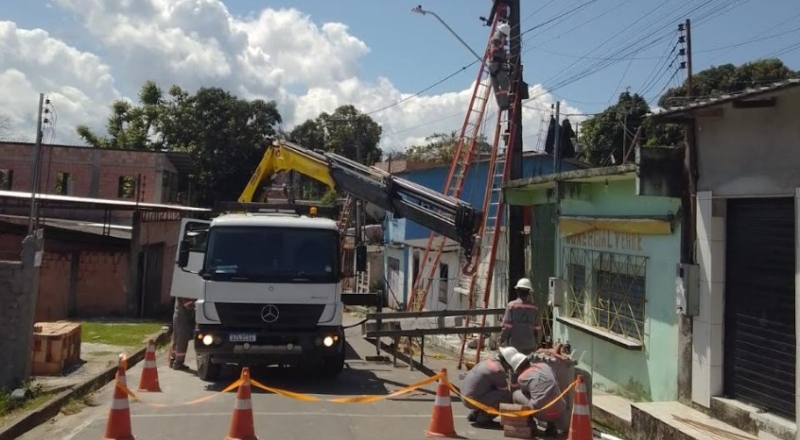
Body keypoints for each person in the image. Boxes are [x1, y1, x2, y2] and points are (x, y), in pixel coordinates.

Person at [504, 346, 567, 436]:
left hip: (542, 414)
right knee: (549, 391)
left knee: (516, 394)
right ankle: (551, 427)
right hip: (560, 410)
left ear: (518, 369)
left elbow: (526, 394)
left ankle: (531, 425)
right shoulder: (544, 366)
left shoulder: (522, 378)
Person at [461, 350, 515, 425]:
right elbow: (506, 391)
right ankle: (484, 417)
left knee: (492, 390)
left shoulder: (488, 362)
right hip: (472, 400)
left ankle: (475, 413)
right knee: (507, 396)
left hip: (465, 397)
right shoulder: (498, 370)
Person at [500, 278, 543, 355]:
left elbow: (507, 326)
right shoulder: (534, 308)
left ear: (517, 291)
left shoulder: (511, 306)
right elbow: (538, 328)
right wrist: (538, 341)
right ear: (529, 292)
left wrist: (502, 339)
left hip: (514, 344)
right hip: (530, 344)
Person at [169, 296, 195, 370]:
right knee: (182, 340)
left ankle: (173, 359)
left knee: (176, 339)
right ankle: (178, 363)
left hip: (178, 317)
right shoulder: (183, 293)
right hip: (183, 319)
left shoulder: (180, 291)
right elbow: (188, 305)